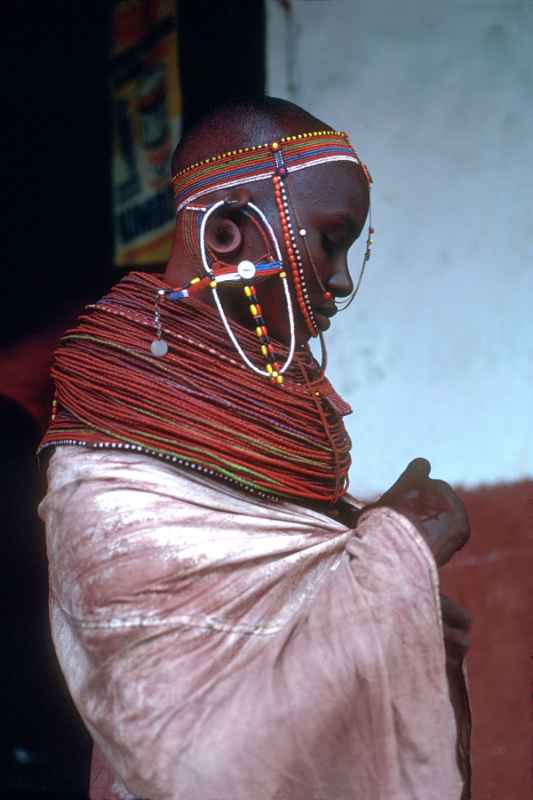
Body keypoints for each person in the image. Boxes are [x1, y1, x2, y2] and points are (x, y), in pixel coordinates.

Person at [38, 97, 471, 800]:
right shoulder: (111, 479)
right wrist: (399, 553)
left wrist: (373, 556)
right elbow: (194, 759)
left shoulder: (282, 402)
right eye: (330, 240)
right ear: (229, 234)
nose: (340, 281)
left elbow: (284, 581)